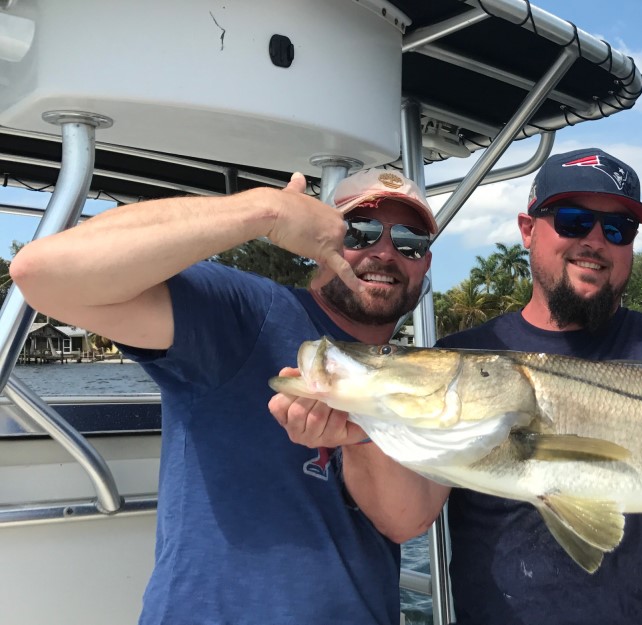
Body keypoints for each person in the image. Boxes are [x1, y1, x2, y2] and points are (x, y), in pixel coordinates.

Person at [270, 148, 642, 625]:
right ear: (528, 229)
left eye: (618, 228)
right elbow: (405, 519)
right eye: (573, 220)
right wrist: (364, 426)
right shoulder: (469, 350)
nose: (595, 241)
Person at [10, 166, 440, 625]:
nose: (384, 252)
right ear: (321, 237)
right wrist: (266, 210)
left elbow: (405, 521)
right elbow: (42, 273)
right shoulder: (245, 311)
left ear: (426, 263)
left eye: (410, 241)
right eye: (360, 231)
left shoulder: (426, 379)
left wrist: (362, 431)